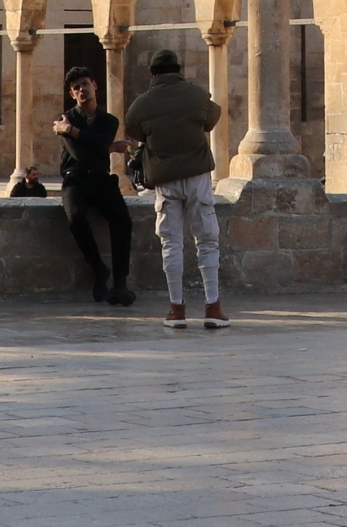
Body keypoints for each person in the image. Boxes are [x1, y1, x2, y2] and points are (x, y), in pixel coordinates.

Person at [122, 47, 225, 331]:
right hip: (197, 175)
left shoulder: (142, 104)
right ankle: (213, 307)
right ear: (179, 70)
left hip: (165, 180)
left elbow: (134, 130)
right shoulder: (196, 94)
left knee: (171, 243)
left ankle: (176, 309)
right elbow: (212, 119)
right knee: (207, 240)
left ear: (151, 73)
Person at [52, 72, 135, 306]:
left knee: (122, 221)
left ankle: (121, 282)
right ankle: (98, 267)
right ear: (71, 93)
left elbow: (97, 146)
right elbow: (80, 155)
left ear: (95, 85)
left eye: (85, 84)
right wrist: (110, 147)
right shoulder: (65, 118)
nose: (82, 90)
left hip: (101, 179)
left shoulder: (107, 121)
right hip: (75, 179)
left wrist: (72, 132)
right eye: (76, 87)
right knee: (76, 218)